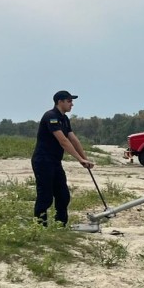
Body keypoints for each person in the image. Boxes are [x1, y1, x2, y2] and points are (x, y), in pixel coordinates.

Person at [31, 90, 94, 227]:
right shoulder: (51, 116)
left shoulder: (64, 119)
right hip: (43, 160)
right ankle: (40, 226)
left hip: (55, 161)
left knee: (63, 195)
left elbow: (73, 139)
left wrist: (85, 159)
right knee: (45, 196)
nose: (72, 104)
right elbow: (63, 141)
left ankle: (61, 224)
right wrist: (79, 159)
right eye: (69, 101)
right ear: (60, 102)